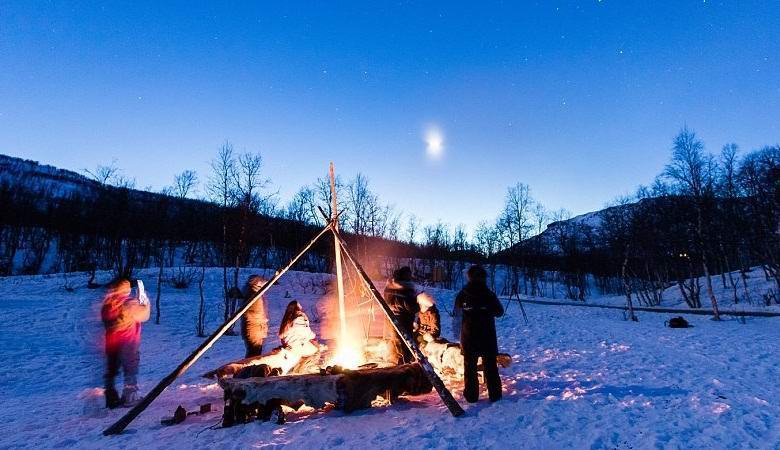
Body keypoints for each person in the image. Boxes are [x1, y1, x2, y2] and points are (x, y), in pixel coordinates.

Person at [454, 264, 504, 403]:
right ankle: (495, 395)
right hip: (487, 335)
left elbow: (457, 307)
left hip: (469, 335)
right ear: (483, 278)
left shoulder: (463, 293)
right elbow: (499, 312)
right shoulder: (488, 294)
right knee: (490, 366)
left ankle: (471, 396)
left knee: (470, 366)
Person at [101, 278, 150, 408]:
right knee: (130, 369)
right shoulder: (129, 304)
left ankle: (111, 396)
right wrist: (145, 301)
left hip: (111, 343)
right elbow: (144, 315)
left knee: (112, 369)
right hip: (128, 342)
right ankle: (130, 396)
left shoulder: (108, 304)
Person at [383, 266, 420, 364]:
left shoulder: (389, 287)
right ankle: (404, 367)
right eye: (409, 274)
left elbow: (386, 301)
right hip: (404, 320)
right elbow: (410, 307)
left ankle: (397, 365)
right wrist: (418, 306)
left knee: (396, 342)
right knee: (405, 345)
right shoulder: (406, 289)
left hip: (391, 319)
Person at [279, 300, 321, 374]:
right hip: (296, 345)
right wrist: (313, 338)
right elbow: (305, 331)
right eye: (300, 305)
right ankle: (304, 369)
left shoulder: (287, 318)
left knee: (310, 346)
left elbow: (281, 335)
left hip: (289, 344)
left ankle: (298, 367)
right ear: (297, 307)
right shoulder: (299, 316)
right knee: (316, 350)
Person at [241, 275, 269, 358]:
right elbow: (252, 313)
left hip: (256, 328)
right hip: (254, 328)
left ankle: (251, 369)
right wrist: (262, 323)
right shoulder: (252, 295)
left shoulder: (256, 294)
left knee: (255, 352)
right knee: (253, 353)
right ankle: (248, 370)